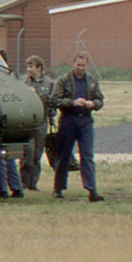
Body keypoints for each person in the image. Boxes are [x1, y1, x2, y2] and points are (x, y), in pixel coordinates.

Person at [51, 51, 104, 202]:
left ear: (87, 65)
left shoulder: (92, 80)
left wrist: (93, 104)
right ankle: (58, 188)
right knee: (64, 156)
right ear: (73, 63)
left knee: (87, 156)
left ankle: (92, 190)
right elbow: (54, 100)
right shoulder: (64, 80)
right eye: (78, 64)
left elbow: (100, 100)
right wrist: (72, 102)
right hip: (68, 120)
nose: (80, 68)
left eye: (83, 65)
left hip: (85, 121)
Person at [20, 55, 55, 191]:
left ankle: (33, 184)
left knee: (37, 154)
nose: (29, 69)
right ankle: (23, 182)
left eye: (31, 66)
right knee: (27, 153)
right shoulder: (24, 83)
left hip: (42, 122)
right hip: (28, 123)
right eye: (28, 66)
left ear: (39, 68)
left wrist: (52, 115)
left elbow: (53, 101)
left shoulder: (49, 83)